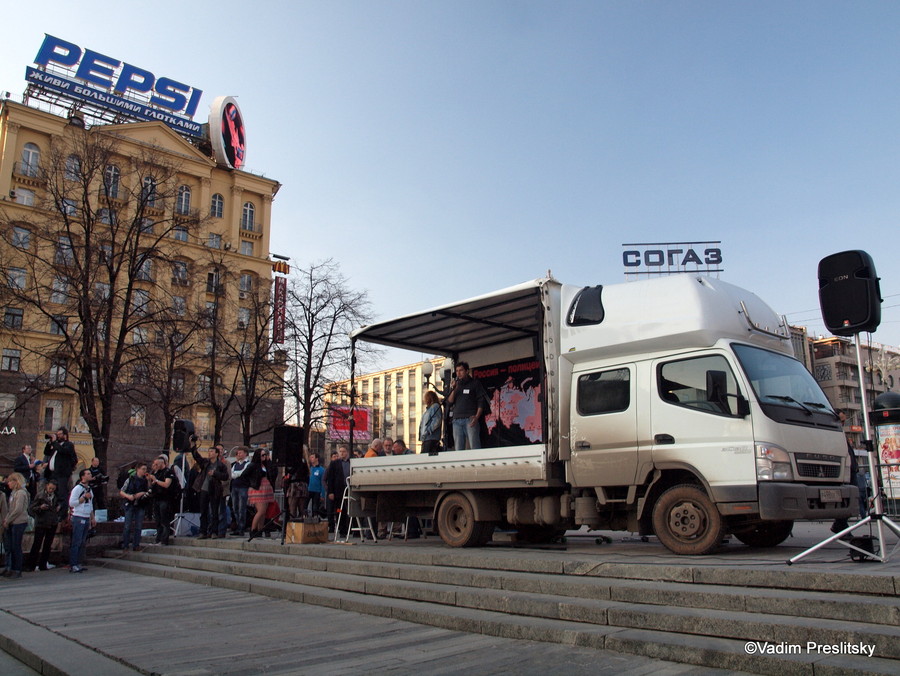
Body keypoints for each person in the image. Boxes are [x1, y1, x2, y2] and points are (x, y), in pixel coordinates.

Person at [831, 409, 868, 535]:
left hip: (852, 471)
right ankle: (840, 525)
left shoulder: (841, 433)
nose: (843, 423)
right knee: (849, 500)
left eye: (844, 421)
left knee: (853, 500)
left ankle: (840, 525)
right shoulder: (834, 434)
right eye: (841, 421)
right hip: (845, 472)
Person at [446, 362, 489, 450]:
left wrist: (477, 417)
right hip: (456, 419)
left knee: (474, 445)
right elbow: (450, 401)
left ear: (467, 371)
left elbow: (481, 401)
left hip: (470, 418)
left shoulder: (474, 383)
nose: (458, 373)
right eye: (457, 371)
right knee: (458, 448)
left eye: (461, 370)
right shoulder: (456, 385)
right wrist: (454, 389)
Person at [191, 445, 229, 539]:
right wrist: (193, 447)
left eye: (212, 451)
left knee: (215, 511)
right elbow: (197, 457)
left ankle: (214, 531)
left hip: (215, 489)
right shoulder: (205, 462)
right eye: (209, 451)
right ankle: (203, 531)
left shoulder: (221, 465)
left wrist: (215, 474)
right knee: (203, 511)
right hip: (204, 488)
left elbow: (225, 476)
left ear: (216, 454)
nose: (209, 453)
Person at [27, 478, 60, 570]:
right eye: (50, 488)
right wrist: (40, 508)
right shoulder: (40, 495)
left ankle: (43, 564)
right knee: (37, 543)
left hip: (52, 522)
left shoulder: (56, 496)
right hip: (41, 522)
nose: (51, 490)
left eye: (53, 489)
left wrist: (58, 508)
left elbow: (60, 504)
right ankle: (31, 565)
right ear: (46, 486)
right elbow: (31, 508)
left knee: (48, 544)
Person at [2, 472, 29, 579]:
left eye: (10, 481)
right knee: (12, 546)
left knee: (16, 546)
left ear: (15, 481)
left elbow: (18, 509)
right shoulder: (14, 493)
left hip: (19, 522)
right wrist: (7, 519)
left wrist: (8, 519)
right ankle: (11, 568)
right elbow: (11, 508)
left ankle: (17, 569)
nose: (8, 483)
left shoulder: (21, 493)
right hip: (13, 521)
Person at [68, 468, 95, 573]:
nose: (90, 475)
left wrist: (92, 517)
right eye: (88, 474)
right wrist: (83, 497)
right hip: (78, 516)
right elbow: (72, 503)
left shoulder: (89, 488)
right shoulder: (77, 489)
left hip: (86, 516)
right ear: (83, 476)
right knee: (77, 541)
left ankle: (79, 562)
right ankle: (73, 564)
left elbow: (91, 504)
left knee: (83, 542)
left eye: (90, 473)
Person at [245, 449, 275, 541]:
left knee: (264, 512)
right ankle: (253, 529)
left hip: (265, 488)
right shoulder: (253, 465)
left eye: (265, 455)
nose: (264, 457)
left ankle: (260, 529)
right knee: (261, 511)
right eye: (262, 455)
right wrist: (251, 483)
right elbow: (244, 475)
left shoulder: (265, 465)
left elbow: (272, 473)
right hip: (258, 489)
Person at [120, 463, 150, 551]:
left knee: (139, 525)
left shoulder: (145, 480)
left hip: (140, 504)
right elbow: (122, 491)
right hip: (130, 503)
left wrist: (148, 482)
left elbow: (149, 490)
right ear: (138, 469)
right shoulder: (130, 479)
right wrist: (128, 496)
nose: (145, 471)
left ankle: (136, 544)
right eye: (143, 469)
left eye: (146, 469)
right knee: (127, 525)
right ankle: (125, 544)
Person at [43, 427, 78, 502]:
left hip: (62, 474)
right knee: (51, 492)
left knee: (61, 493)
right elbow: (46, 452)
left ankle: (62, 510)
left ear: (65, 435)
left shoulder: (68, 445)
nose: (58, 436)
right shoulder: (56, 445)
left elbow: (63, 451)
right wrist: (50, 442)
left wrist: (55, 442)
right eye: (57, 434)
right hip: (52, 474)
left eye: (59, 434)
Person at [147, 457, 175, 546]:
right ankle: (158, 539)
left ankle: (164, 540)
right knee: (158, 520)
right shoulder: (156, 472)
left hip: (165, 499)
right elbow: (151, 486)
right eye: (154, 464)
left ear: (161, 464)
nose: (154, 466)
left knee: (164, 520)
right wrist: (149, 480)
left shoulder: (168, 472)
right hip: (156, 498)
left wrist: (156, 480)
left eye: (156, 464)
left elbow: (166, 484)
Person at [325, 445, 352, 534]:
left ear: (347, 452)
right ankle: (341, 528)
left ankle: (351, 528)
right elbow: (330, 478)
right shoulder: (334, 463)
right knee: (339, 510)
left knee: (350, 508)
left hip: (349, 489)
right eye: (340, 451)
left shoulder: (351, 462)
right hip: (338, 491)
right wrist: (330, 492)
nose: (342, 453)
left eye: (343, 451)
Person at [229, 447, 251, 536]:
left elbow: (242, 473)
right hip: (234, 487)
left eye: (240, 453)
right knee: (235, 508)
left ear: (245, 453)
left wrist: (236, 474)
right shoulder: (235, 465)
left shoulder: (248, 464)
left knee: (242, 508)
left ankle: (241, 527)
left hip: (243, 487)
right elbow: (231, 474)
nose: (238, 455)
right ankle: (238, 526)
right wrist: (235, 475)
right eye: (238, 453)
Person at [307, 452, 325, 518]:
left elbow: (322, 482)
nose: (311, 459)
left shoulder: (322, 470)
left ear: (316, 459)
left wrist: (322, 494)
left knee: (315, 506)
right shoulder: (309, 469)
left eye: (312, 457)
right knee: (305, 505)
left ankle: (315, 516)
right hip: (309, 489)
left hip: (317, 491)